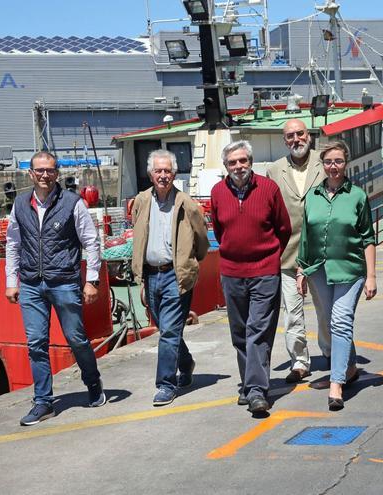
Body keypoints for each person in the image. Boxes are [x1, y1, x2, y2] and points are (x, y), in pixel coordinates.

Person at [4, 151, 106, 426]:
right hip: (31, 284)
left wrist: (91, 279)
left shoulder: (73, 203)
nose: (45, 175)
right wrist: (11, 281)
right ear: (31, 174)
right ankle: (43, 402)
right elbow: (13, 243)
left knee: (76, 339)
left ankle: (93, 382)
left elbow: (91, 241)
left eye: (50, 170)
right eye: (39, 170)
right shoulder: (20, 205)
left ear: (57, 173)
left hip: (63, 282)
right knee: (36, 343)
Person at [210, 140, 292, 414]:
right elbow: (221, 232)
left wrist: (268, 258)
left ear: (251, 162)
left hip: (265, 271)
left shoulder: (269, 189)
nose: (238, 167)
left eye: (243, 161)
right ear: (226, 166)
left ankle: (257, 390)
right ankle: (248, 384)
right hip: (232, 272)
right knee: (240, 332)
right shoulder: (218, 192)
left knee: (258, 330)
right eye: (233, 163)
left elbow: (284, 228)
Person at [296, 141, 377, 411]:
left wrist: (372, 276)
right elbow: (306, 237)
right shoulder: (313, 196)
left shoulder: (357, 196)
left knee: (341, 320)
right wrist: (301, 269)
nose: (334, 167)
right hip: (318, 268)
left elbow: (368, 238)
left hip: (350, 269)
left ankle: (337, 383)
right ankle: (350, 368)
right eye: (329, 162)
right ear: (323, 164)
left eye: (339, 161)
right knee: (331, 322)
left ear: (346, 163)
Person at [131, 149, 210, 407]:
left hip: (176, 276)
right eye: (158, 171)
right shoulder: (141, 201)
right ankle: (186, 363)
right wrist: (142, 277)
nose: (163, 175)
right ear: (150, 174)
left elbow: (202, 240)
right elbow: (140, 238)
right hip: (152, 275)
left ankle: (166, 384)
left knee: (167, 333)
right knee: (169, 330)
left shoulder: (187, 204)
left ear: (174, 174)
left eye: (167, 171)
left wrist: (188, 264)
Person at [267, 119, 325, 383]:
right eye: (290, 136)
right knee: (292, 313)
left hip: (321, 254)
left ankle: (332, 353)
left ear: (308, 136)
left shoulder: (324, 163)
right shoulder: (274, 169)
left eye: (300, 134)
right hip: (287, 254)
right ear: (284, 140)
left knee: (326, 310)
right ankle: (299, 362)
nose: (296, 140)